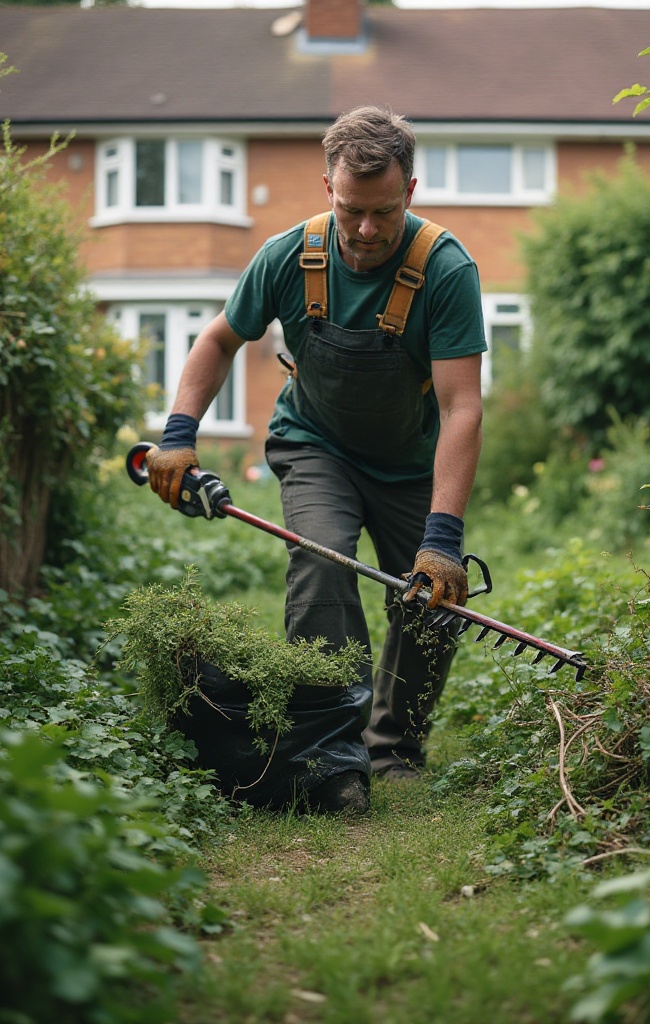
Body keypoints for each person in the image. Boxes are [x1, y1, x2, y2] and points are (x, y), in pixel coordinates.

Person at [145, 105, 487, 814]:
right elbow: (217, 340)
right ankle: (330, 758)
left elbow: (462, 407)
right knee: (323, 560)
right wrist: (179, 432)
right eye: (351, 209)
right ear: (327, 187)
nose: (366, 231)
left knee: (433, 605)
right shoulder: (288, 255)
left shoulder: (446, 270)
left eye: (384, 212)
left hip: (410, 462)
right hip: (316, 445)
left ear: (411, 193)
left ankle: (393, 748)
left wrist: (442, 540)